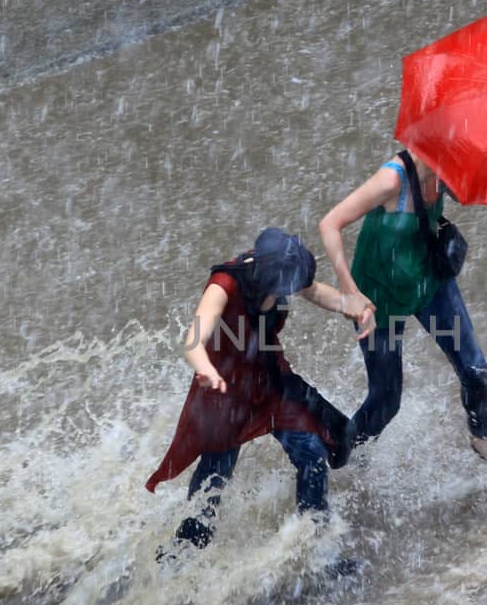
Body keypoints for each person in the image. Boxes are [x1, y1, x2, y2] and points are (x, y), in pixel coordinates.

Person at [146, 227, 373, 553]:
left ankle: (317, 537)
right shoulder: (224, 285)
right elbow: (193, 339)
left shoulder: (281, 269)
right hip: (223, 391)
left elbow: (314, 291)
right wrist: (205, 368)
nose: (293, 291)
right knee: (215, 477)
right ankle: (185, 549)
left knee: (311, 452)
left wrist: (348, 305)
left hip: (270, 383)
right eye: (288, 287)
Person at [318, 151, 487, 479]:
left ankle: (484, 439)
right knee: (386, 401)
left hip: (428, 284)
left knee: (474, 368)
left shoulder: (448, 171)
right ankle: (341, 459)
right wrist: (349, 292)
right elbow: (329, 223)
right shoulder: (392, 180)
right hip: (379, 299)